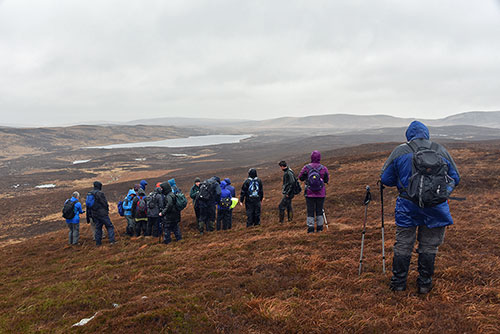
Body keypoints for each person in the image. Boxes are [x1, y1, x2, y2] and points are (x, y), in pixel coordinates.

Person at [381, 121, 460, 294]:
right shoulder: (440, 150)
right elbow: (456, 177)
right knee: (430, 246)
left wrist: (404, 183)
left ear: (408, 135)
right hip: (436, 207)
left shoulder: (400, 151)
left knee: (403, 244)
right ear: (426, 134)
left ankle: (398, 284)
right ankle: (424, 284)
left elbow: (385, 179)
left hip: (407, 206)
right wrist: (441, 193)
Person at [298, 151, 330, 233]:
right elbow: (327, 179)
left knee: (310, 210)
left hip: (309, 193)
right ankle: (320, 228)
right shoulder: (323, 168)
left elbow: (300, 177)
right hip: (321, 193)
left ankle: (311, 228)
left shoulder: (306, 167)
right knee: (319, 210)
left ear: (311, 157)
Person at [86, 181, 116, 246]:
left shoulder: (90, 193)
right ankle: (112, 241)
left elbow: (88, 206)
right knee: (110, 226)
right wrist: (106, 210)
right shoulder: (100, 193)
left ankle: (98, 243)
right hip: (102, 214)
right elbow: (104, 203)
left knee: (98, 228)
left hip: (94, 214)